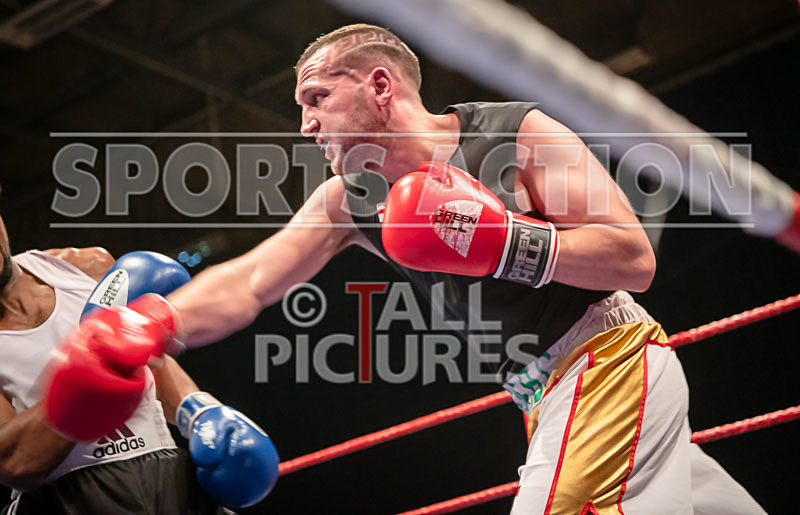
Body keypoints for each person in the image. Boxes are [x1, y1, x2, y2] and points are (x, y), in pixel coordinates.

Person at [43, 24, 765, 514]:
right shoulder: (349, 201)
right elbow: (254, 279)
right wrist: (151, 323)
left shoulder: (513, 135)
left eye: (316, 99)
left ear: (380, 86)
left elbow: (633, 258)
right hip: (541, 394)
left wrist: (501, 239)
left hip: (607, 357)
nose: (305, 125)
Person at [0, 215, 277, 513]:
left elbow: (151, 361)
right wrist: (91, 377)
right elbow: (14, 461)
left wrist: (198, 410)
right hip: (68, 498)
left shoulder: (85, 267)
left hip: (164, 475)